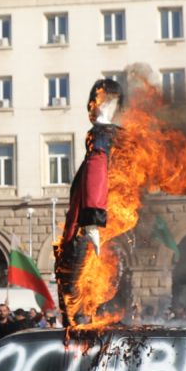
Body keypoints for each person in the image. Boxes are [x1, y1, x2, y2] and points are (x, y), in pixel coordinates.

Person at [55, 77, 126, 327]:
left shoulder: (101, 136)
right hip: (110, 225)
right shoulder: (118, 137)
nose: (94, 107)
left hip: (91, 228)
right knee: (99, 295)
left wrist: (92, 222)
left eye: (103, 102)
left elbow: (97, 171)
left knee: (77, 297)